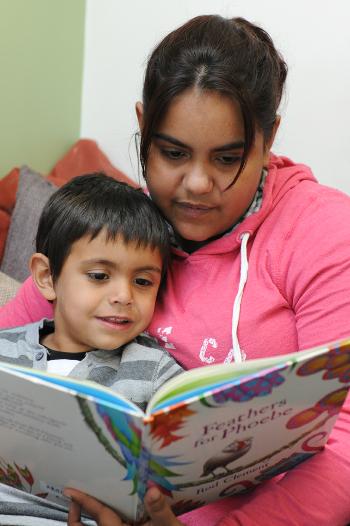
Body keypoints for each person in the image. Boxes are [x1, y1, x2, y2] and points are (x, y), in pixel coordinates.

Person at [1, 13, 350, 526]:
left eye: (228, 158)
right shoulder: (121, 232)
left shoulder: (323, 232)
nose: (197, 185)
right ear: (143, 127)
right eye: (172, 153)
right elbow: (15, 346)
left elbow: (342, 448)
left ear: (268, 137)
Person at [0, 173, 183, 526]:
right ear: (47, 277)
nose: (124, 296)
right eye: (99, 276)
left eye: (143, 281)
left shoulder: (155, 369)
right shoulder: (5, 350)